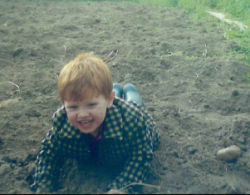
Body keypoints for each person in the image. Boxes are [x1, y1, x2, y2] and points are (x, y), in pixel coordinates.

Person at [32, 52, 160, 194]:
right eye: (73, 107)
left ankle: (129, 88)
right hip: (107, 108)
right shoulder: (62, 126)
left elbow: (141, 156)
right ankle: (115, 88)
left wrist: (122, 188)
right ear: (64, 105)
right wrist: (44, 187)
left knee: (133, 100)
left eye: (90, 105)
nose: (82, 114)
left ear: (108, 100)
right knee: (102, 105)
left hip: (132, 112)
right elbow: (48, 155)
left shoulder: (133, 121)